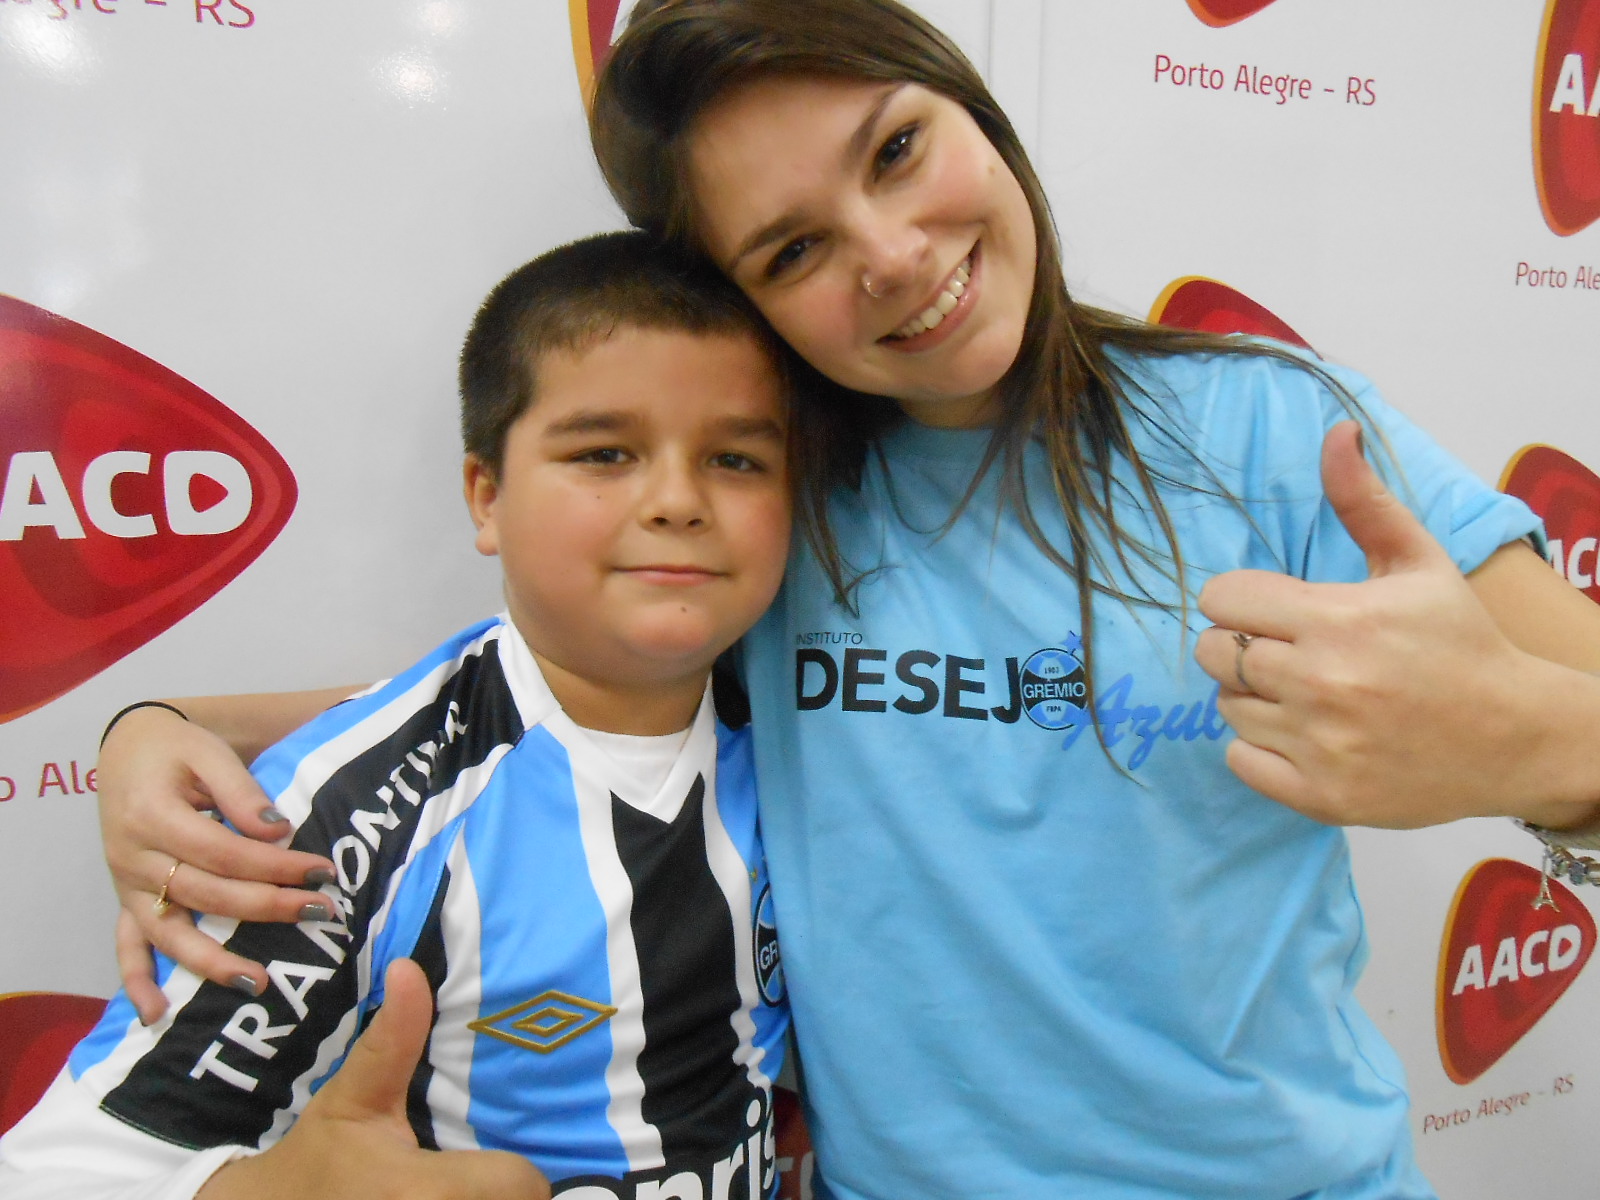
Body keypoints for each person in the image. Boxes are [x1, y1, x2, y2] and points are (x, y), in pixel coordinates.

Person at [85, 1, 1600, 1197]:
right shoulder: (770, 505)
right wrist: (155, 729)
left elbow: (1561, 715)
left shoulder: (1276, 430)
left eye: (895, 150)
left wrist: (1530, 753)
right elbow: (522, 710)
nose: (894, 258)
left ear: (968, 105)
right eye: (795, 249)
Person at [0, 230, 794, 1200]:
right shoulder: (356, 813)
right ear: (485, 495)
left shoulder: (813, 728)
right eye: (605, 452)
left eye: (737, 460)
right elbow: (57, 1171)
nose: (677, 500)